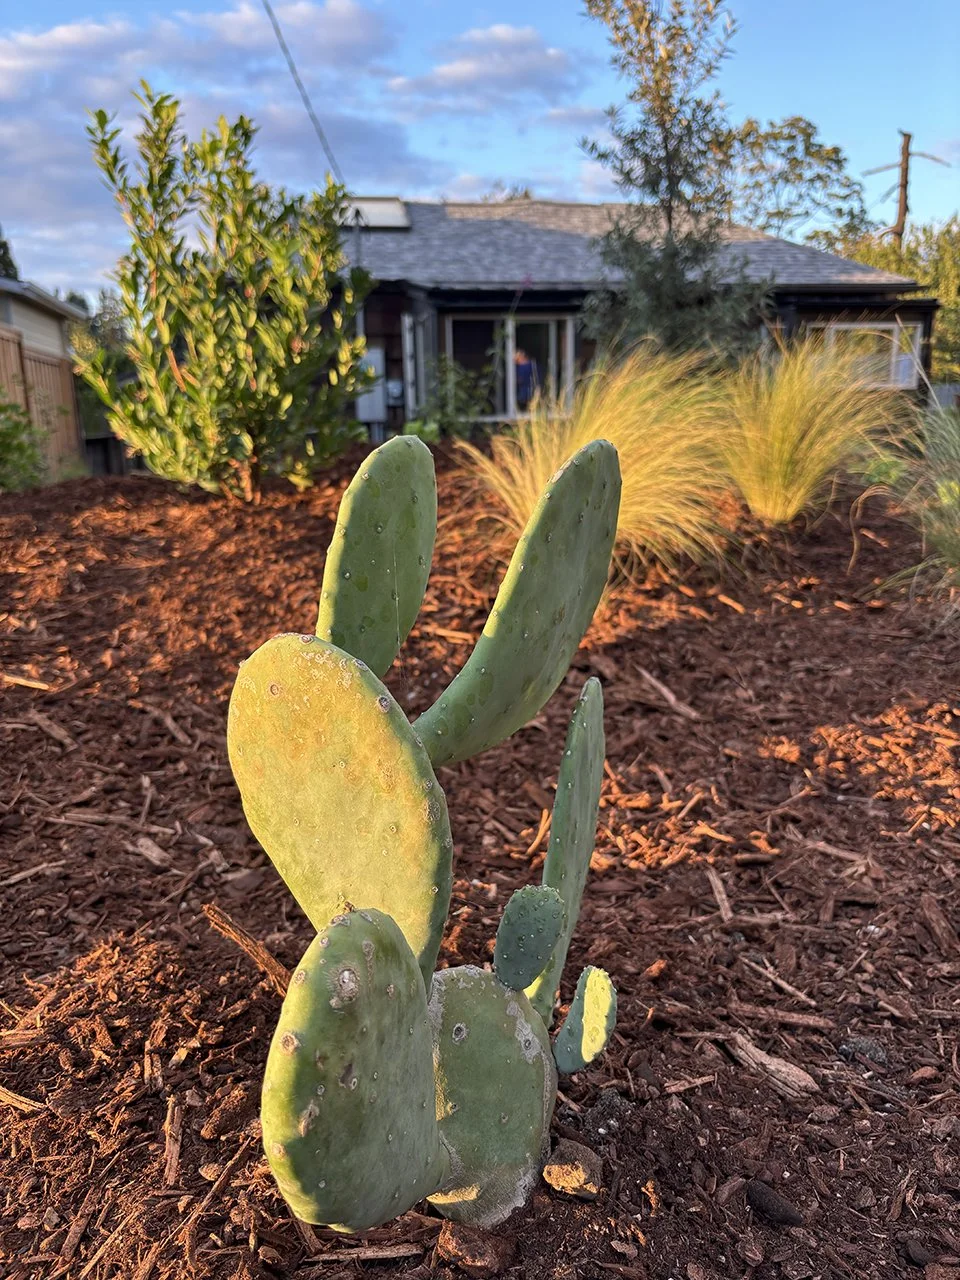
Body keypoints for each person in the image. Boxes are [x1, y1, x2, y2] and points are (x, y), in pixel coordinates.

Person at [514, 347, 539, 411]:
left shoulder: (531, 365)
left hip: (529, 392)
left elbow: (520, 380)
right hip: (523, 393)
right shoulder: (518, 367)